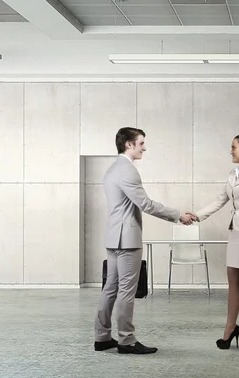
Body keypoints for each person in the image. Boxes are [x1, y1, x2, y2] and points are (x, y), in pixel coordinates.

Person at [94, 127, 196, 355]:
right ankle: (126, 341)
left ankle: (101, 337)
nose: (144, 148)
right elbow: (146, 204)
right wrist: (178, 215)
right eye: (141, 143)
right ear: (128, 144)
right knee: (126, 291)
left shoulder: (111, 170)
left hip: (113, 237)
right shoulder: (128, 171)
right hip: (127, 239)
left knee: (110, 288)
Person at [194, 133, 239, 351]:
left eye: (234, 147)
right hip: (236, 231)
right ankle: (230, 328)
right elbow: (220, 200)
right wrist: (197, 216)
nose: (231, 151)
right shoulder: (232, 174)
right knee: (232, 278)